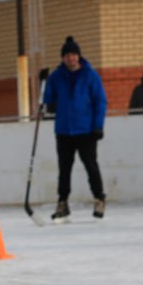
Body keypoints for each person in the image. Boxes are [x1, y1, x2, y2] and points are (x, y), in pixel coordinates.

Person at [43, 36, 108, 221]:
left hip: (86, 130)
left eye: (74, 55)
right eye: (67, 55)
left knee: (91, 166)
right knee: (64, 169)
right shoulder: (56, 76)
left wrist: (98, 125)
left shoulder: (90, 74)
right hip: (64, 131)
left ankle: (99, 198)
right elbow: (48, 100)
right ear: (63, 58)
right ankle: (62, 203)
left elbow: (100, 101)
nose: (71, 59)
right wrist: (44, 86)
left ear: (78, 56)